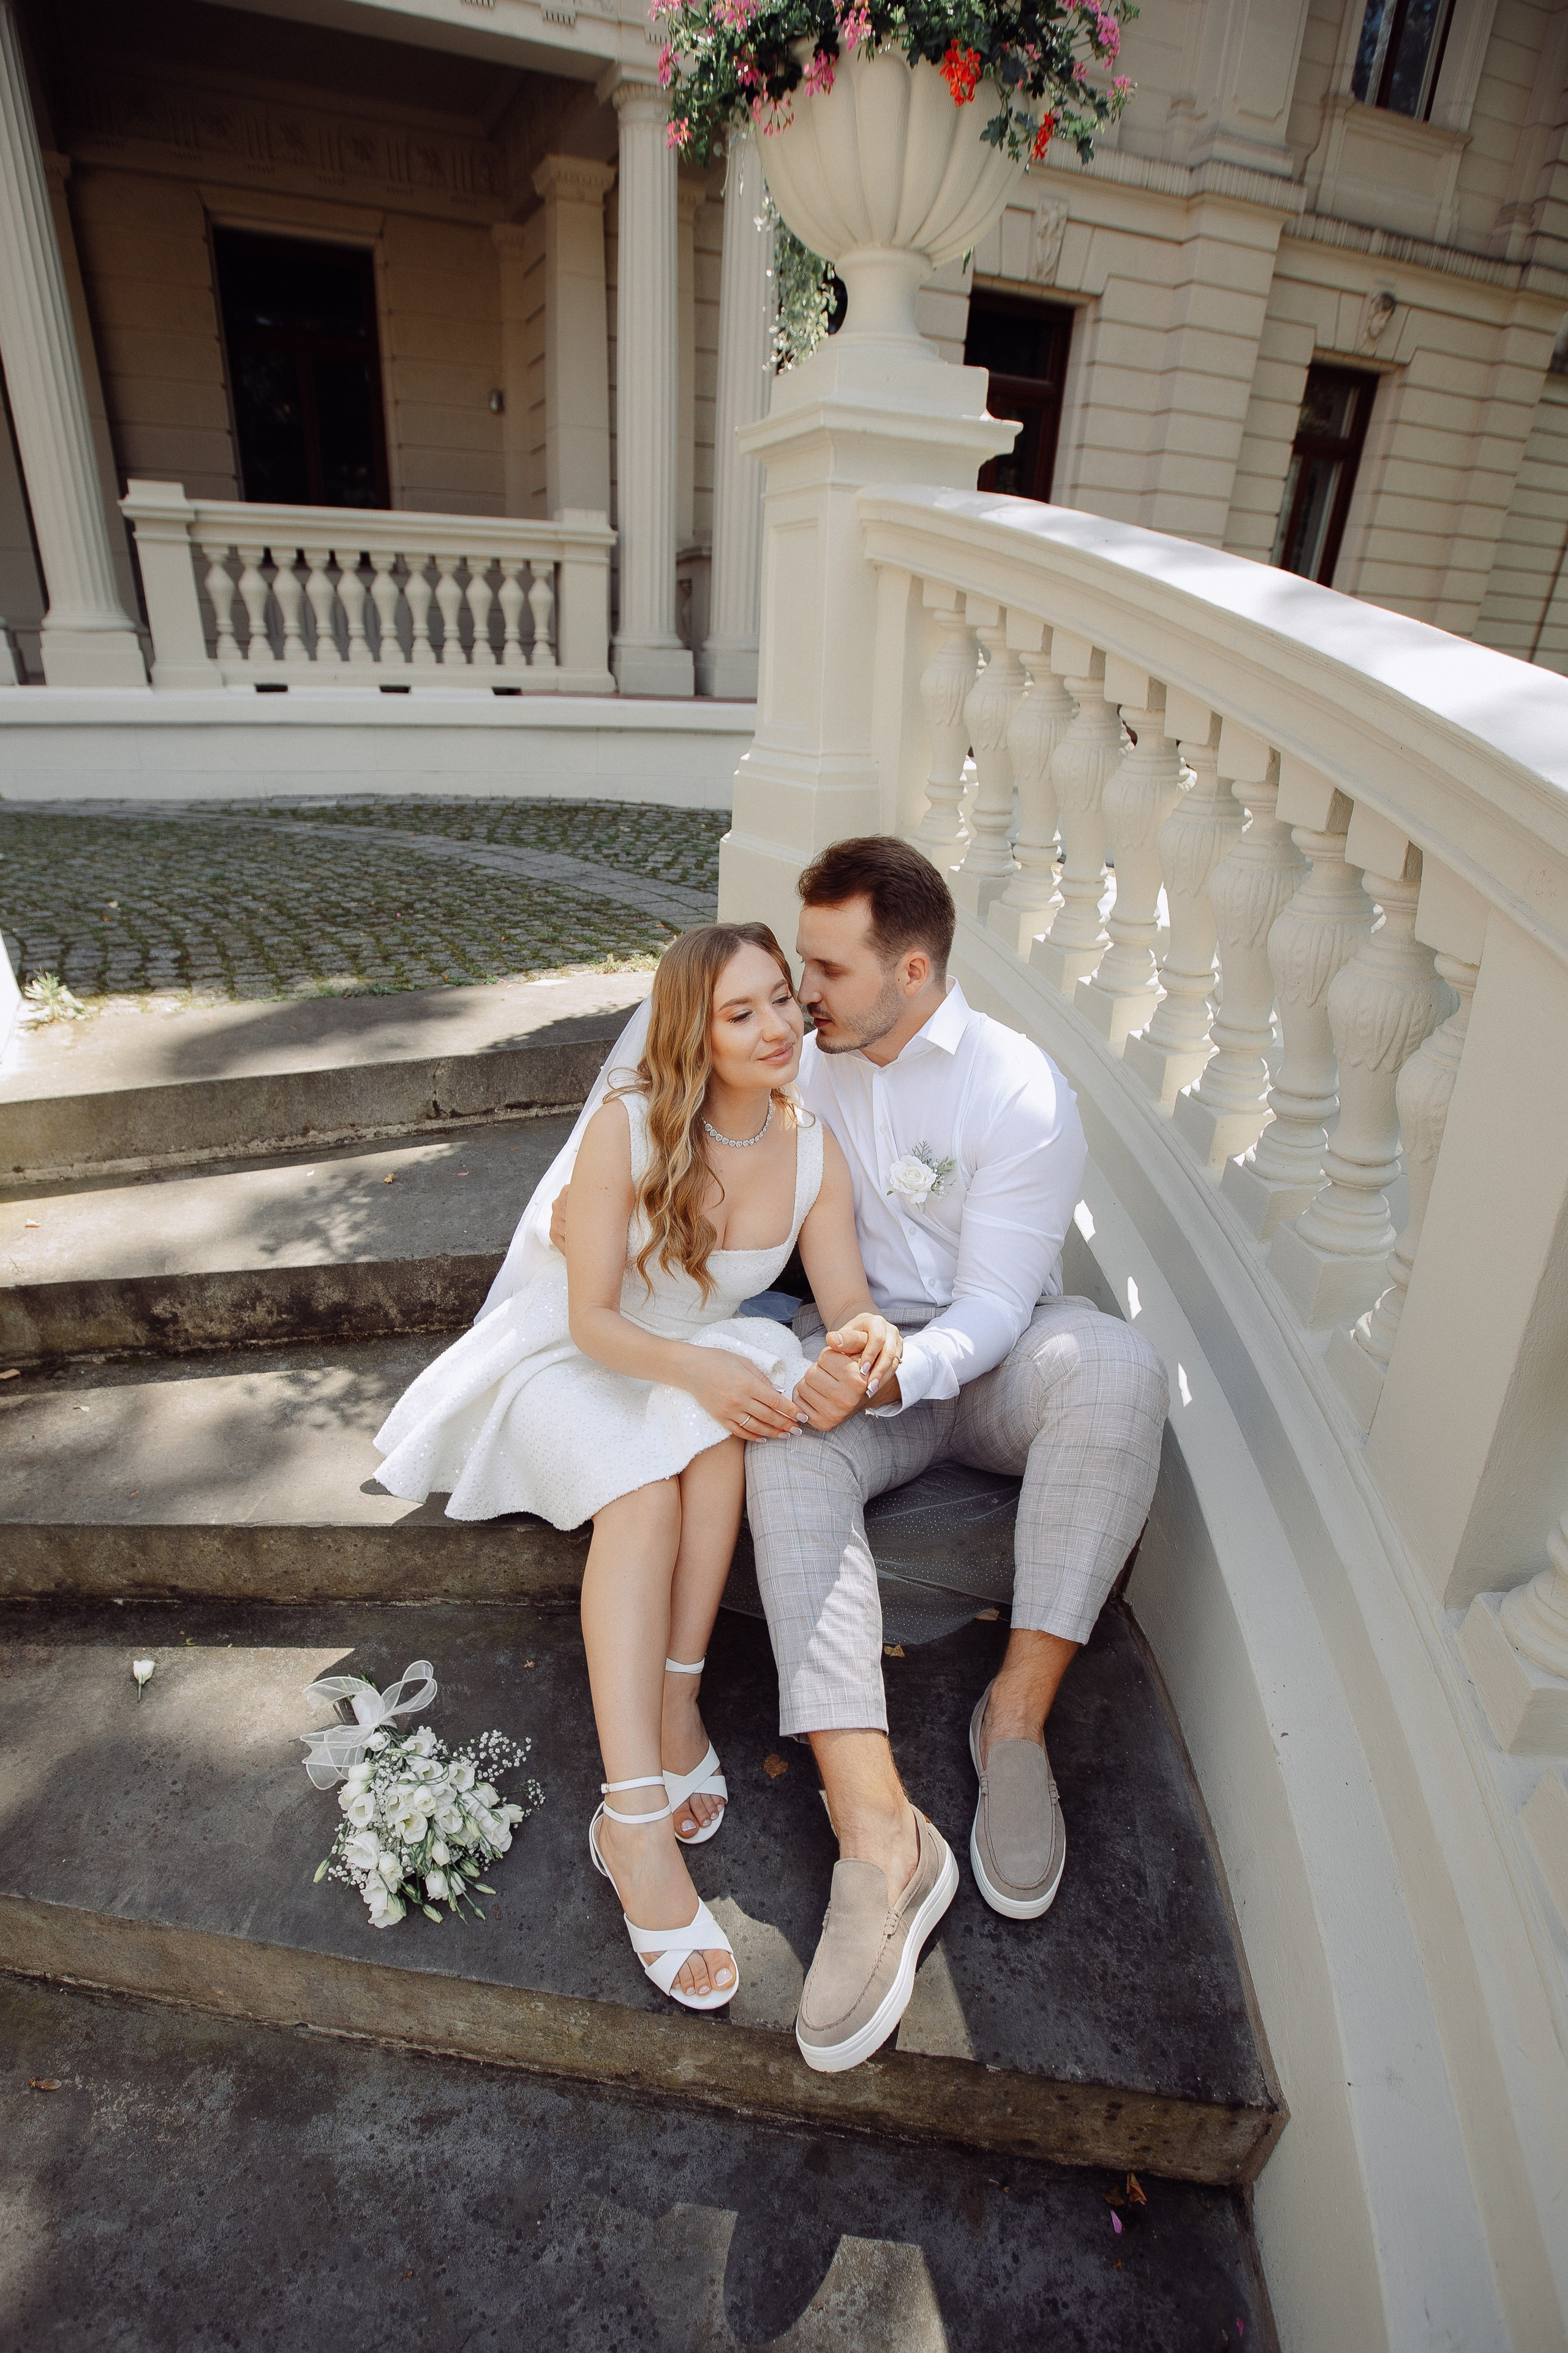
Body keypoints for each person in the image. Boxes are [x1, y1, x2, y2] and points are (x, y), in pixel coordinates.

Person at [374, 923, 899, 2016]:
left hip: (697, 1356)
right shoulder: (630, 1127)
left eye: (780, 1002)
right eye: (739, 1012)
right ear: (692, 1035)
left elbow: (845, 1299)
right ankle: (634, 1822)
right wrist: (699, 1371)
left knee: (722, 1457)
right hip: (581, 1359)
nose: (774, 1028)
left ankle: (678, 1701)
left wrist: (863, 1340)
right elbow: (594, 1318)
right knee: (648, 1496)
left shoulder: (813, 1150)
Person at [746, 837, 1169, 2075]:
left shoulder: (1017, 1092)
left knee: (1118, 1366)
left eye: (825, 965)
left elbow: (991, 1307)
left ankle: (1013, 1719)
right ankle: (882, 1842)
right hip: (856, 1349)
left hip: (984, 1367)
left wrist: (902, 1363)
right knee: (781, 1443)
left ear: (910, 968)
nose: (799, 985)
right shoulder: (809, 1062)